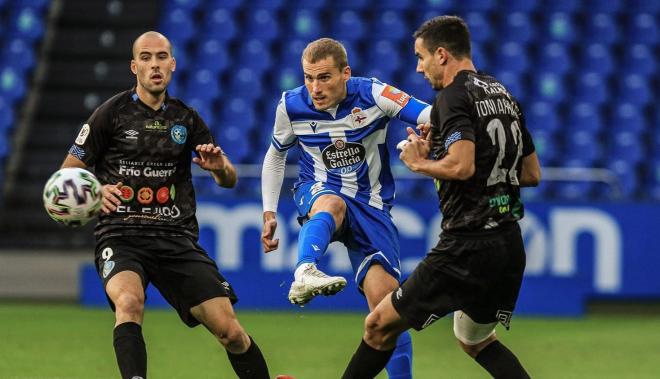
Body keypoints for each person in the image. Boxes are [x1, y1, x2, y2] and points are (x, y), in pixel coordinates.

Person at [60, 31, 271, 379]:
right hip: (121, 236)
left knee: (231, 333)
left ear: (172, 64)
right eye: (146, 57)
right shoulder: (110, 114)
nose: (154, 64)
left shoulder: (186, 119)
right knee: (128, 304)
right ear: (134, 66)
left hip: (175, 239)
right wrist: (96, 191)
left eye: (161, 57)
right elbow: (67, 173)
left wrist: (220, 169)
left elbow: (229, 178)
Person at [342, 16, 542, 379]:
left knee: (378, 325)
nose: (419, 68)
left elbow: (462, 167)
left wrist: (420, 163)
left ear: (442, 54)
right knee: (474, 340)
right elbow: (531, 174)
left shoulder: (451, 96)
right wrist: (445, 151)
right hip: (508, 242)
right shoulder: (502, 93)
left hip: (466, 245)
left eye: (421, 58)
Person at [260, 37, 432, 379]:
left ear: (345, 74)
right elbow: (276, 153)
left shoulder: (373, 94)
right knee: (332, 202)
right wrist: (268, 210)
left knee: (388, 314)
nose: (314, 88)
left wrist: (432, 126)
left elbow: (427, 112)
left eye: (324, 77)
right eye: (308, 78)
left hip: (371, 206)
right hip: (318, 189)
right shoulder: (291, 105)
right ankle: (305, 270)